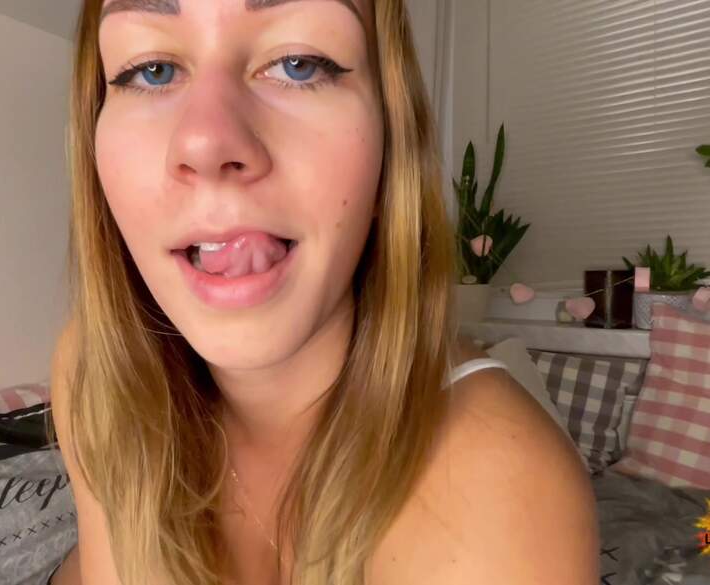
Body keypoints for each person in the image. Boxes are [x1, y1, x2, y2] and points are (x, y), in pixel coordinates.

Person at [46, 0, 600, 584]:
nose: (206, 143)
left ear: (391, 139)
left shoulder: (501, 491)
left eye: (299, 62)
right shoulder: (93, 372)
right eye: (150, 70)